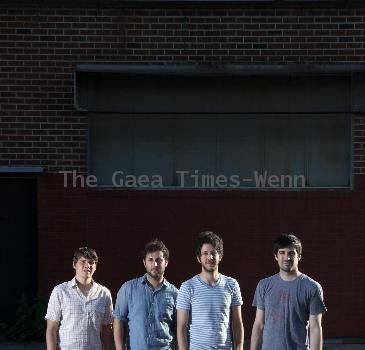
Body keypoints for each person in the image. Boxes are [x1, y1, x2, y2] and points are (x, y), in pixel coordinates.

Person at [250, 233, 327, 350]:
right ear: (276, 256)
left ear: (299, 256)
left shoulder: (312, 287)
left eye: (291, 253)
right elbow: (259, 324)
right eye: (282, 253)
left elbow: (315, 328)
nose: (287, 257)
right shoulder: (264, 285)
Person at [177, 231, 244, 350]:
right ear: (199, 258)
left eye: (213, 253)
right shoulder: (187, 287)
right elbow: (181, 326)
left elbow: (237, 323)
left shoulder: (232, 284)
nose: (210, 257)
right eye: (205, 253)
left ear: (220, 256)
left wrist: (239, 348)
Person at [113, 239, 178, 350]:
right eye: (150, 260)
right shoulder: (128, 288)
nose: (155, 264)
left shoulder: (175, 293)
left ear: (166, 262)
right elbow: (118, 320)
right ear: (144, 262)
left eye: (159, 260)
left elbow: (179, 327)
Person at [45, 246, 113, 350]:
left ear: (95, 266)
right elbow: (51, 329)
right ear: (74, 264)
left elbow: (107, 329)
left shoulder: (104, 294)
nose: (88, 265)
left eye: (91, 262)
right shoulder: (60, 291)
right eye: (83, 261)